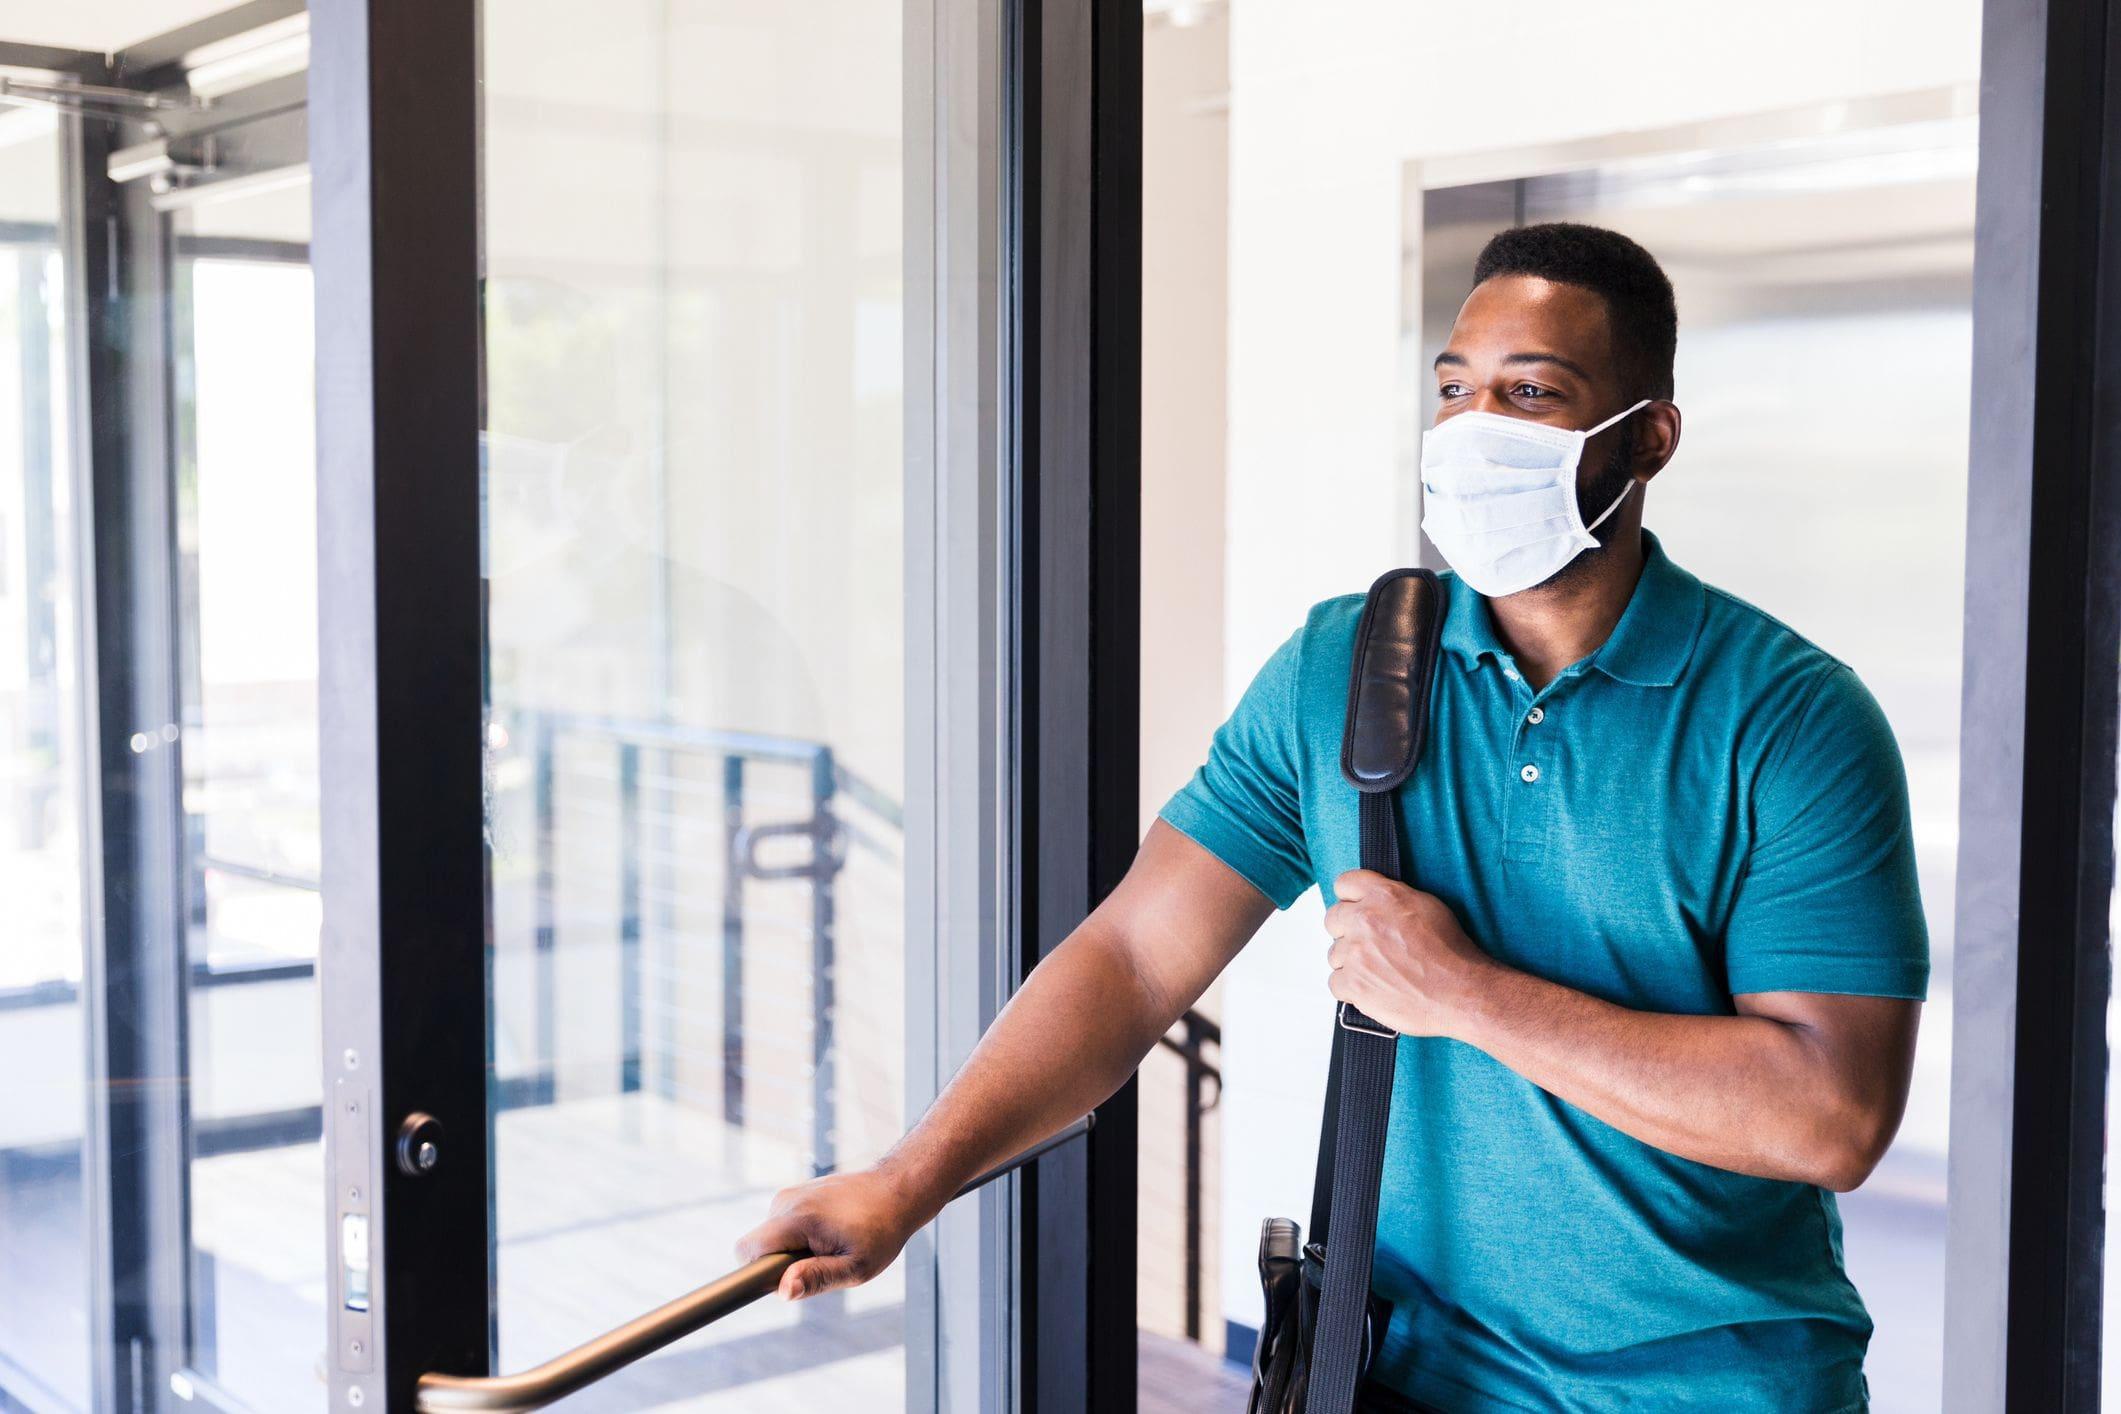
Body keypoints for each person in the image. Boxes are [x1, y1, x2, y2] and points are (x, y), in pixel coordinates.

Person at [736, 222, 1926, 1413]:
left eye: (1532, 394)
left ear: (1648, 436)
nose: (1475, 433)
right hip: (1404, 1369)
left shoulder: (1792, 721)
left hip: (1714, 1383)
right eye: (1456, 390)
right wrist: (910, 1179)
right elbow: (1136, 954)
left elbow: (1830, 1116)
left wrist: (1464, 993)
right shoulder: (1342, 672)